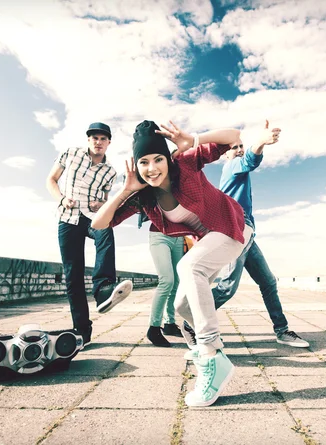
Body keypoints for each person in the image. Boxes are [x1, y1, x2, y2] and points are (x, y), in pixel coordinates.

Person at [92, 119, 276, 407]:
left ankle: (211, 355)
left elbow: (233, 136)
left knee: (188, 268)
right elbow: (99, 222)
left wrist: (193, 139)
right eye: (143, 162)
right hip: (210, 240)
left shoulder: (185, 164)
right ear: (136, 165)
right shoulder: (143, 197)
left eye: (157, 159)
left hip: (233, 226)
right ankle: (204, 344)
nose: (152, 168)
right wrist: (126, 190)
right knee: (181, 306)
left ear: (167, 158)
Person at [184, 122, 309, 351]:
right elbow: (250, 160)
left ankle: (282, 330)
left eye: (241, 146)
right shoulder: (232, 168)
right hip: (235, 234)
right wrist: (260, 142)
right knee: (227, 288)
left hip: (248, 234)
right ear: (225, 154)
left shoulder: (237, 170)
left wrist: (259, 143)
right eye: (235, 147)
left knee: (268, 282)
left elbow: (250, 160)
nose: (239, 149)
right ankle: (190, 320)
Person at [46, 122, 133, 349]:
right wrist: (62, 199)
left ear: (109, 143)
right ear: (88, 140)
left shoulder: (110, 172)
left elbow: (105, 198)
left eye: (103, 139)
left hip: (91, 218)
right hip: (68, 217)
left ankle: (103, 289)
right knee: (72, 274)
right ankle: (82, 330)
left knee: (106, 231)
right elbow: (51, 180)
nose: (98, 142)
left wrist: (101, 203)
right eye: (94, 138)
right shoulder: (70, 154)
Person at [140, 214, 184, 347]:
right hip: (159, 234)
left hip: (179, 237)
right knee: (167, 281)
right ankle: (153, 328)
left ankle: (170, 324)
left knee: (176, 283)